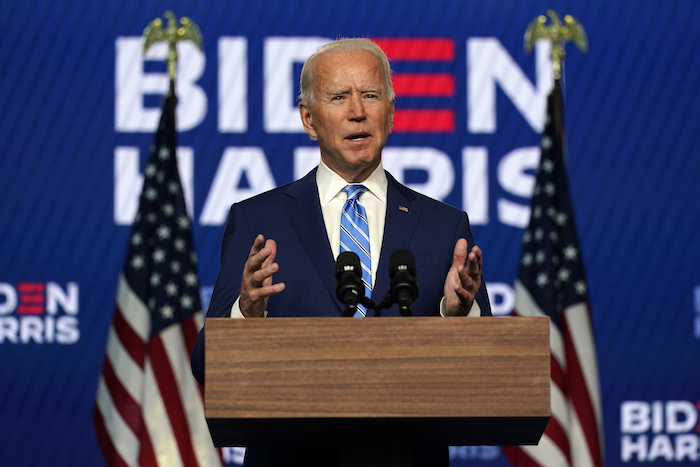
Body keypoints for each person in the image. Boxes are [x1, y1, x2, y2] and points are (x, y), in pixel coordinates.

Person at [191, 37, 491, 466]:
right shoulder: (259, 220)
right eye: (339, 97)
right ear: (309, 119)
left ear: (390, 111)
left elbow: (485, 372)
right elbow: (206, 364)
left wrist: (456, 317)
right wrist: (247, 315)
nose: (357, 111)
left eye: (371, 95)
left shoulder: (445, 227)